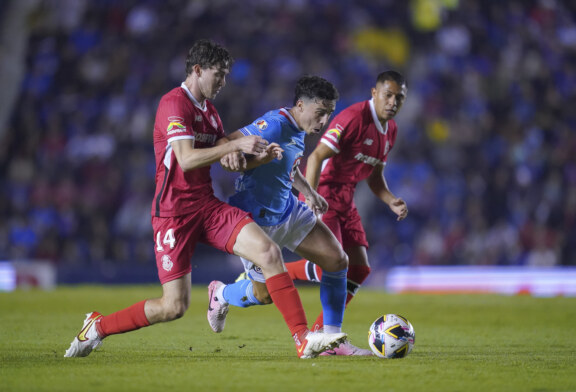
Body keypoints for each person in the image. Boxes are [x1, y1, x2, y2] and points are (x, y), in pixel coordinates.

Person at [64, 39, 346, 359]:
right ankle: (98, 327)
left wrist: (256, 157)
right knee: (174, 306)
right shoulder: (174, 104)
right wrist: (234, 148)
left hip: (207, 205)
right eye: (219, 75)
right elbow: (185, 159)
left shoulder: (210, 114)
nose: (224, 83)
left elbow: (229, 160)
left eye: (226, 75)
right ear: (197, 70)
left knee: (268, 252)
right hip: (174, 213)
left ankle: (302, 339)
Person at [206, 75, 372, 356]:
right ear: (300, 105)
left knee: (337, 259)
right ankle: (221, 293)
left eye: (329, 114)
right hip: (256, 221)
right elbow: (226, 143)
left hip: (289, 210)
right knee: (263, 295)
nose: (323, 122)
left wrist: (309, 191)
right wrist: (232, 154)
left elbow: (288, 168)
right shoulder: (273, 125)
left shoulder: (298, 129)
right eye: (320, 113)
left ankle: (332, 340)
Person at [284, 71, 409, 334]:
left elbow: (375, 177)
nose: (393, 102)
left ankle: (320, 332)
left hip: (346, 197)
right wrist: (310, 199)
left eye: (399, 98)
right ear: (374, 93)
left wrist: (391, 200)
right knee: (331, 266)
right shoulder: (354, 118)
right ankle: (274, 271)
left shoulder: (391, 130)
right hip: (324, 193)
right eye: (388, 95)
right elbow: (317, 156)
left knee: (360, 269)